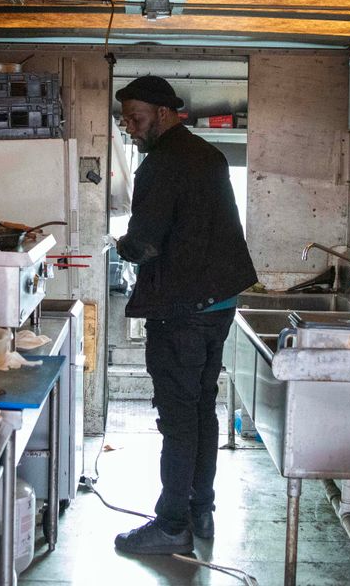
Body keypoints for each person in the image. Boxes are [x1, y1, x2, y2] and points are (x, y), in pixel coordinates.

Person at [112, 75, 258, 555]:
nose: (130, 128)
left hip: (181, 312)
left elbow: (147, 240)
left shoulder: (161, 164)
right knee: (201, 409)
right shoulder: (209, 155)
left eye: (135, 118)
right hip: (217, 306)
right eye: (125, 119)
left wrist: (121, 245)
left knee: (177, 418)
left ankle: (172, 524)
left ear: (163, 112)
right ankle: (201, 509)